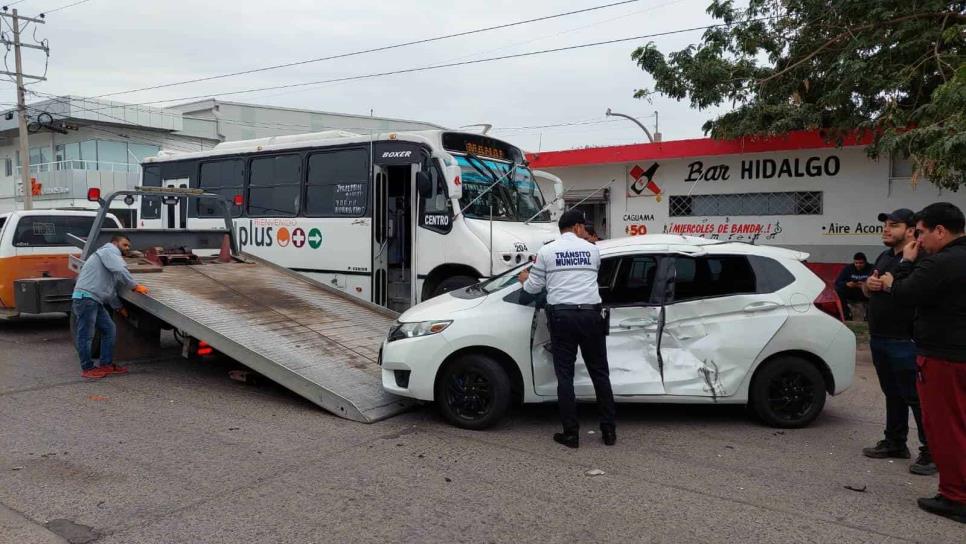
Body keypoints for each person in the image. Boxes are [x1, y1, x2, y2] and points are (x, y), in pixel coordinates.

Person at [876, 202, 966, 523]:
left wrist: (902, 267)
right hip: (955, 352)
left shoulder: (941, 262)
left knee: (945, 426)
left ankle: (956, 496)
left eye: (923, 232)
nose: (920, 240)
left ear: (940, 231)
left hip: (944, 356)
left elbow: (904, 292)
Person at [518, 210, 616, 448]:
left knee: (565, 376)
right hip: (591, 315)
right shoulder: (593, 251)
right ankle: (609, 432)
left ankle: (571, 434)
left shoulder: (547, 251)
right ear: (577, 227)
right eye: (583, 226)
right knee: (600, 373)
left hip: (562, 316)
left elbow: (532, 289)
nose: (585, 230)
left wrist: (523, 278)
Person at [860, 209, 935, 475]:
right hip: (880, 336)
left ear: (912, 230)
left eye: (894, 225)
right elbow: (866, 291)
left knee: (916, 397)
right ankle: (895, 442)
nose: (886, 230)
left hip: (906, 339)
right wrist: (868, 285)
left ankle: (931, 452)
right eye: (885, 225)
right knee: (893, 393)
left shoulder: (920, 259)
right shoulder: (884, 256)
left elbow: (918, 294)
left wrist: (892, 285)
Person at [72, 235, 149, 380]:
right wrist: (135, 286)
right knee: (86, 335)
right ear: (114, 243)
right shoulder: (109, 251)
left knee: (109, 329)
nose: (127, 248)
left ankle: (106, 364)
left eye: (128, 247)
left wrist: (119, 308)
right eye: (124, 245)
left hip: (94, 299)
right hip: (85, 298)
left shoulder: (108, 261)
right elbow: (120, 270)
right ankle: (87, 368)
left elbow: (111, 290)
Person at [834, 252, 871, 320]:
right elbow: (837, 282)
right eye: (856, 263)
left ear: (865, 262)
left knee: (876, 292)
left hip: (866, 293)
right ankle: (846, 315)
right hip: (852, 291)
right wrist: (847, 284)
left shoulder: (871, 268)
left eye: (861, 263)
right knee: (838, 290)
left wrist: (865, 285)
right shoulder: (848, 268)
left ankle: (868, 317)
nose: (858, 265)